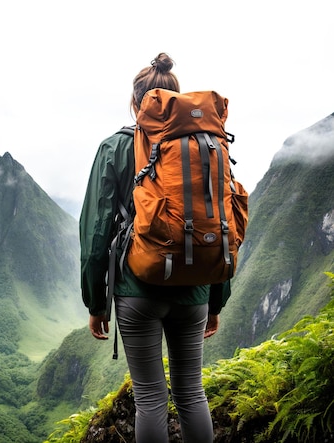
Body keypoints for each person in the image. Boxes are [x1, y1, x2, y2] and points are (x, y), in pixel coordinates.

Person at [79, 52, 230, 443]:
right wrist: (215, 299)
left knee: (149, 398)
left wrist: (97, 303)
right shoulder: (206, 147)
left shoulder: (115, 148)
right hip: (195, 288)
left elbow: (96, 233)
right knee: (192, 393)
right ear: (177, 100)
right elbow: (222, 222)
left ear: (135, 103)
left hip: (137, 287)